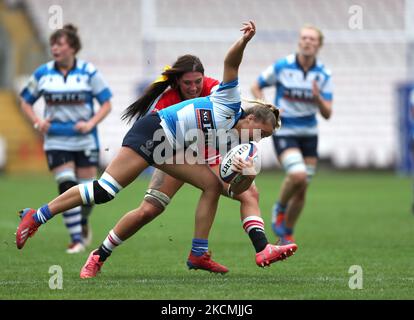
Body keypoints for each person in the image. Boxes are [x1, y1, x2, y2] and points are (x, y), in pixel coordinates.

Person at [16, 21, 297, 277]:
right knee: (105, 191)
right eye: (261, 132)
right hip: (153, 133)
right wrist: (244, 41)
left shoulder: (240, 144)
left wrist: (243, 175)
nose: (259, 140)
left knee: (212, 187)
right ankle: (38, 216)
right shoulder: (229, 102)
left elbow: (236, 189)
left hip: (174, 149)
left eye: (265, 138)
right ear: (251, 118)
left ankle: (201, 253)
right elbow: (231, 63)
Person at [77, 54, 288, 278]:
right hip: (173, 153)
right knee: (149, 210)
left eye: (198, 81)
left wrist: (264, 117)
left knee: (247, 193)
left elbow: (237, 112)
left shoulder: (213, 87)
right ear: (177, 81)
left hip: (207, 150)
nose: (194, 87)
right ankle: (99, 255)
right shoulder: (166, 101)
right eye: (188, 83)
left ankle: (255, 249)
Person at [19, 24, 112, 253]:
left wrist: (90, 123)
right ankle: (77, 240)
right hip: (56, 140)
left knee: (88, 195)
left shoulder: (89, 72)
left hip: (85, 140)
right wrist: (38, 121)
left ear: (72, 48)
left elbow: (107, 104)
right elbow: (26, 101)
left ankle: (82, 221)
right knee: (67, 185)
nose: (54, 48)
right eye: (52, 44)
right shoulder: (43, 73)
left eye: (59, 44)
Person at [251, 25, 333, 245]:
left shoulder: (324, 74)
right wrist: (268, 106)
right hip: (285, 130)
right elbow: (256, 86)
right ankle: (279, 207)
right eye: (304, 37)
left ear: (318, 45)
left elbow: (327, 113)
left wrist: (317, 98)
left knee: (302, 188)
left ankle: (286, 232)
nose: (307, 42)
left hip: (309, 134)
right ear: (299, 41)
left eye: (312, 39)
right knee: (298, 175)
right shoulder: (283, 66)